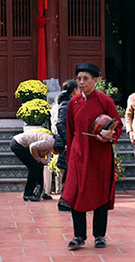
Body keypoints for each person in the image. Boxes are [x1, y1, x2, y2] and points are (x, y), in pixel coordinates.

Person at [62, 63, 122, 250]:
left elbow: (117, 125)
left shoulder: (105, 101)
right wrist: (69, 156)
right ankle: (78, 235)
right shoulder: (73, 102)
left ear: (95, 80)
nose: (81, 82)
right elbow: (70, 130)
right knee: (76, 193)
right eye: (79, 78)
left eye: (85, 79)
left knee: (100, 193)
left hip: (100, 155)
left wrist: (110, 136)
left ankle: (99, 235)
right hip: (79, 155)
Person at [53, 79, 78, 212]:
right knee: (68, 173)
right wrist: (69, 141)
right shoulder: (66, 104)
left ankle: (68, 200)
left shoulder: (70, 103)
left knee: (70, 173)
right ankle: (65, 201)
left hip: (69, 142)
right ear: (74, 90)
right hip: (66, 143)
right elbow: (60, 124)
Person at [10, 129, 55, 202]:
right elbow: (32, 147)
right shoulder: (50, 142)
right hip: (18, 144)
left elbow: (39, 151)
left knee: (39, 166)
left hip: (22, 143)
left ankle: (41, 191)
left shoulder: (51, 142)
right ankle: (28, 194)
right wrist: (37, 158)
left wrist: (41, 159)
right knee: (34, 167)